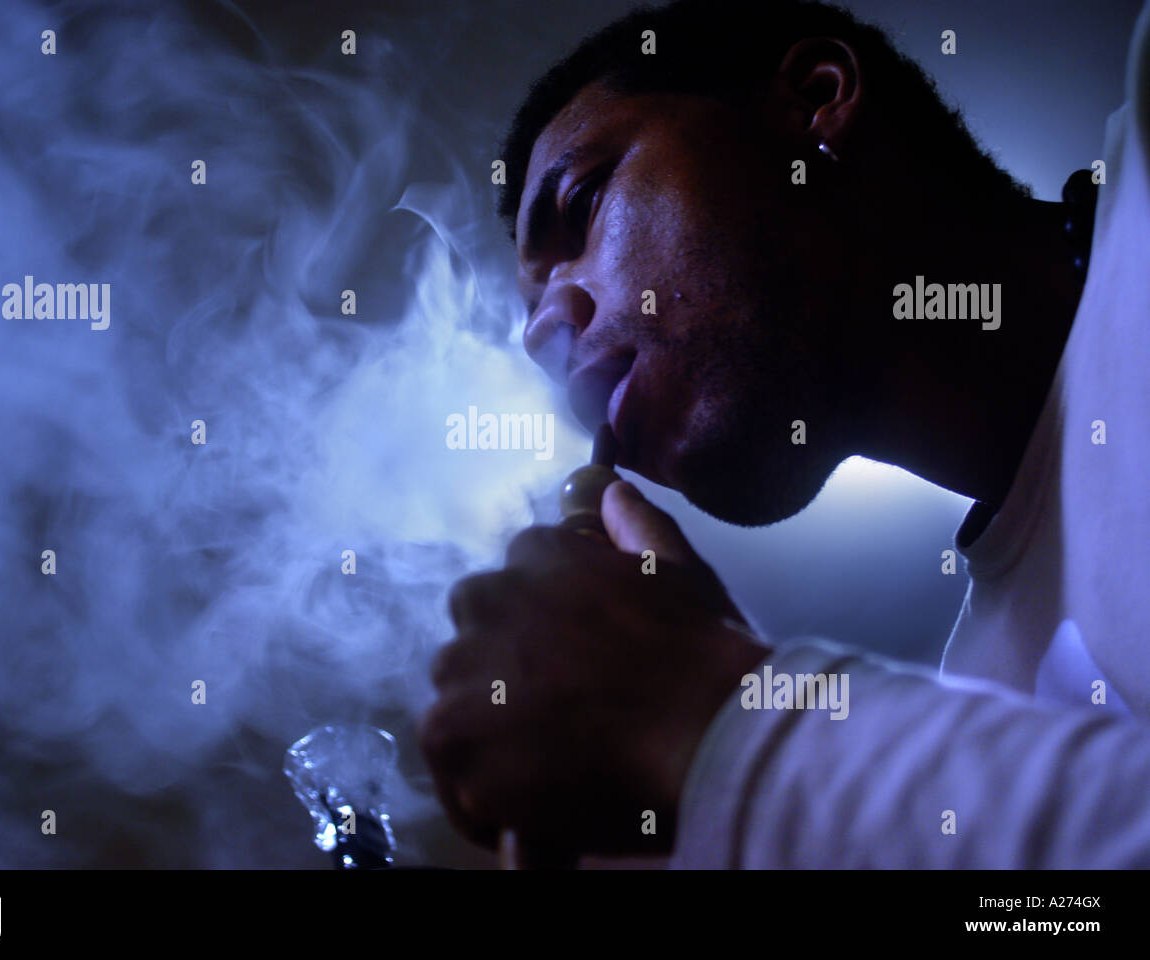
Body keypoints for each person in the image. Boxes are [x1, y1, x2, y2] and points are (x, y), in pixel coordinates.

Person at [419, 0, 1150, 867]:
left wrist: (712, 723)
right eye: (533, 317)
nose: (548, 335)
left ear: (817, 98)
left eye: (582, 203)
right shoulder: (986, 691)